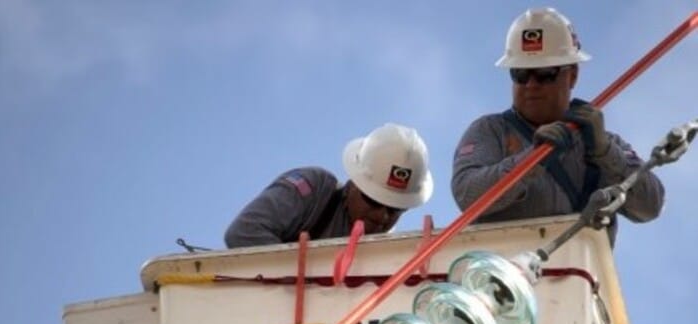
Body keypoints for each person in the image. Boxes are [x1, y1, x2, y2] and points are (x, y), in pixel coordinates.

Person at [451, 8, 664, 241]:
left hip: (580, 263)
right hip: (505, 262)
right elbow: (467, 195)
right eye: (521, 74)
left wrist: (605, 152)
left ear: (572, 75)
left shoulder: (604, 142)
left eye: (545, 73)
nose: (531, 85)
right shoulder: (490, 131)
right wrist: (530, 161)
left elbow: (650, 206)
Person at [224, 123, 433, 248]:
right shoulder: (314, 190)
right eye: (373, 201)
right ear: (354, 184)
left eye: (395, 209)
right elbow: (243, 232)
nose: (382, 216)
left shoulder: (386, 251)